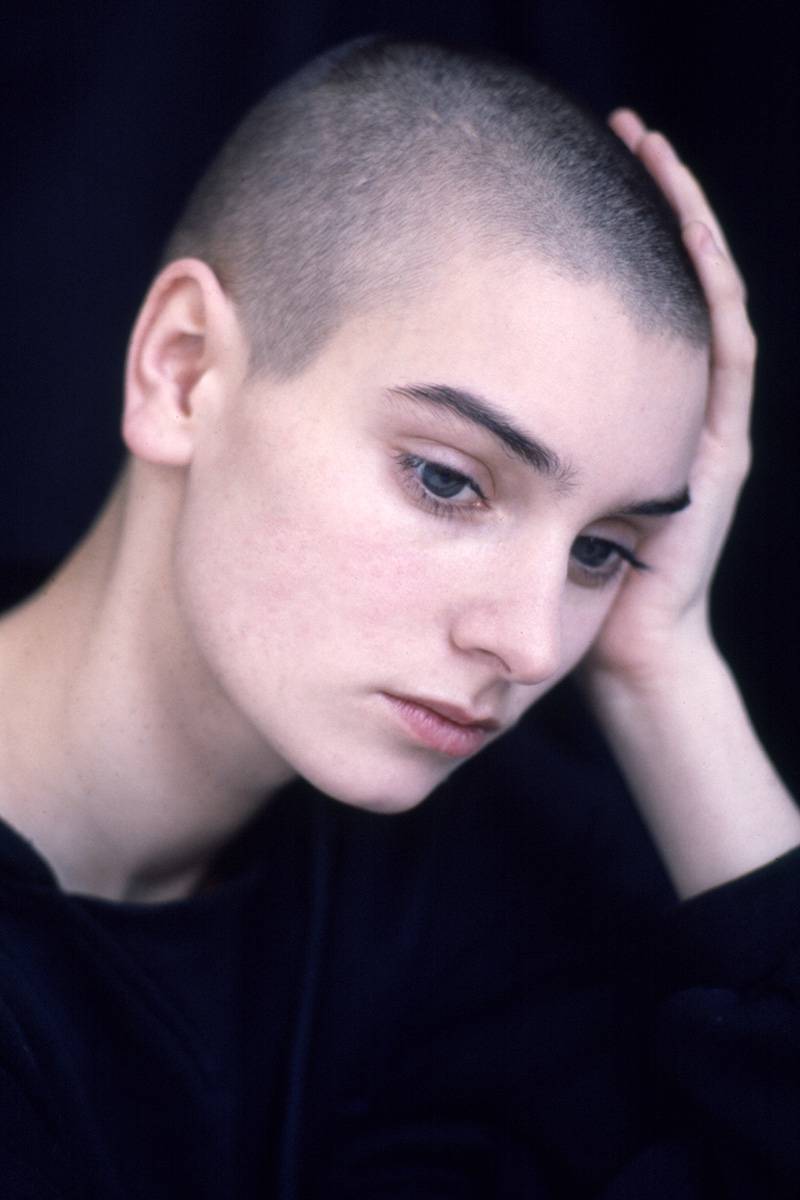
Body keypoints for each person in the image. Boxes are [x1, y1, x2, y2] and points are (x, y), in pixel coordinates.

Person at [0, 35, 797, 1199]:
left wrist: (662, 671)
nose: (527, 646)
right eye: (445, 479)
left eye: (598, 549)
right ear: (181, 372)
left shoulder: (483, 893)